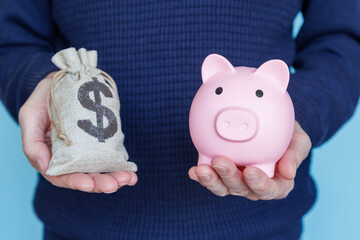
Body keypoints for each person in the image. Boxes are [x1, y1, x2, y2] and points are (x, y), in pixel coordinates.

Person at [0, 0, 359, 239]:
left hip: (262, 227)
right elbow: (11, 38)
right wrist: (42, 85)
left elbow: (344, 38)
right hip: (81, 222)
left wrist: (296, 115)